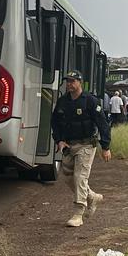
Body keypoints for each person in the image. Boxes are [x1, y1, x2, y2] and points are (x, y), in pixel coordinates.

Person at [51, 71, 112, 227]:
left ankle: (78, 214)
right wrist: (59, 140)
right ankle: (92, 197)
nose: (69, 84)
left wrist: (105, 147)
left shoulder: (90, 101)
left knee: (80, 176)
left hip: (86, 144)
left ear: (80, 82)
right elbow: (55, 122)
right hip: (69, 145)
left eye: (72, 81)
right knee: (67, 176)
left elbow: (102, 124)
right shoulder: (63, 101)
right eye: (68, 81)